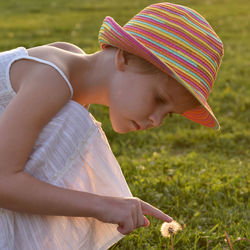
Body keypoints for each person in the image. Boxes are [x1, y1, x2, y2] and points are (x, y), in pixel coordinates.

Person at [0, 2, 224, 250]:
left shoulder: (70, 69)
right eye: (159, 99)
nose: (157, 120)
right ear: (125, 56)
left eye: (169, 114)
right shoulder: (52, 78)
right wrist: (102, 205)